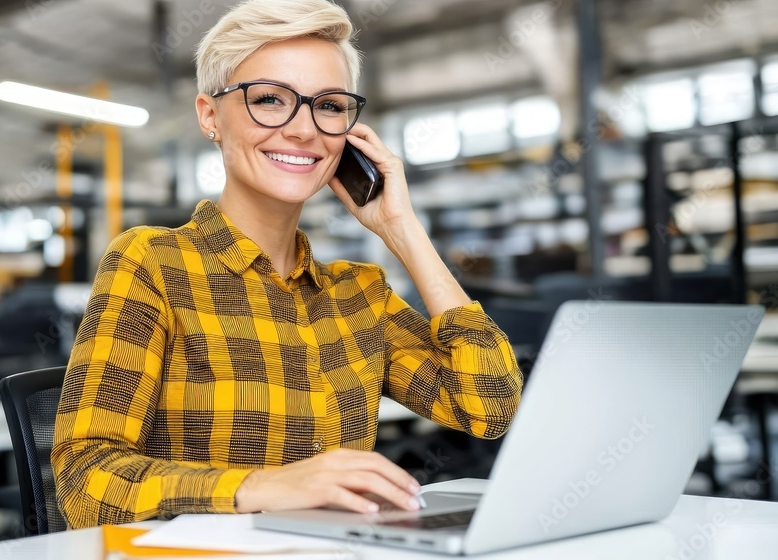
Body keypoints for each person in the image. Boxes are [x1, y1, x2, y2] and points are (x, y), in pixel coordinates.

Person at [51, 0, 523, 529]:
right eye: (271, 99)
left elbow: (490, 405)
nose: (303, 130)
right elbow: (84, 480)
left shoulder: (356, 295)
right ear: (210, 116)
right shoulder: (154, 264)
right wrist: (265, 487)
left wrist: (403, 230)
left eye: (329, 106)